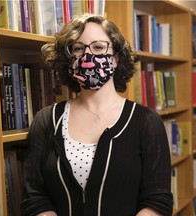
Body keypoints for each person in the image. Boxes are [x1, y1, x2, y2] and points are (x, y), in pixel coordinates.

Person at [21, 14, 173, 216]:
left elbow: (158, 200)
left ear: (116, 58)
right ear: (69, 60)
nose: (87, 56)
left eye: (98, 47)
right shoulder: (46, 120)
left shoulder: (146, 121)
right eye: (77, 48)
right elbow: (34, 197)